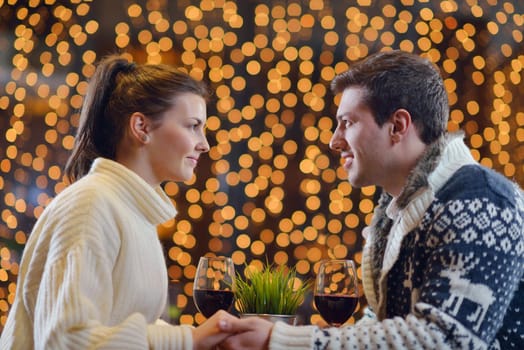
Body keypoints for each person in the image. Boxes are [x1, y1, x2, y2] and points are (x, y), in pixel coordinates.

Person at [217, 50, 524, 349]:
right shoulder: (403, 210)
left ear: (398, 126)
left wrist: (285, 341)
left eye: (347, 123)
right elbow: (384, 325)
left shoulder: (481, 202)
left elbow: (445, 339)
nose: (334, 141)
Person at [0, 54, 238, 349]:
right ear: (141, 128)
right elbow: (68, 339)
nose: (204, 144)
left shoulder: (130, 212)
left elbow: (117, 325)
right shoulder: (90, 206)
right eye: (192, 126)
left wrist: (202, 337)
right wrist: (186, 340)